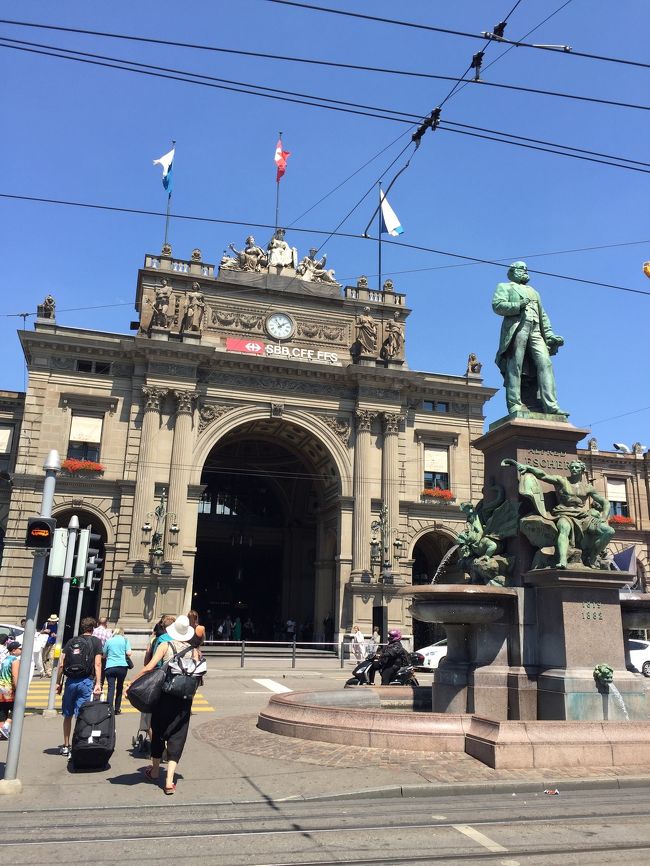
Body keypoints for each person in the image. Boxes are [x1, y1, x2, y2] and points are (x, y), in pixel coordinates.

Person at [129, 615, 200, 795]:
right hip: (184, 699)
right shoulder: (195, 652)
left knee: (158, 732)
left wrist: (132, 682)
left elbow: (149, 667)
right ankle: (169, 781)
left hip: (164, 696)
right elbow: (197, 679)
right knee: (178, 735)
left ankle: (154, 771)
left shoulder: (165, 645)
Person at [492, 261, 566, 416]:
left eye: (526, 269)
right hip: (517, 329)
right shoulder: (504, 286)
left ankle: (551, 405)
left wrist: (550, 334)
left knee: (545, 363)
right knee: (515, 366)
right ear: (512, 272)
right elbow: (497, 306)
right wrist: (518, 304)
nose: (525, 271)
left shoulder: (534, 291)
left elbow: (542, 315)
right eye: (521, 269)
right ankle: (515, 404)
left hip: (536, 330)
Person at [56, 617, 102, 758]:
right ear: (93, 628)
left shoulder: (72, 641)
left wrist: (58, 682)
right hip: (86, 681)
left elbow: (62, 664)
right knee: (82, 715)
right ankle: (79, 744)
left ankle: (65, 746)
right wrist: (98, 683)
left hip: (70, 681)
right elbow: (98, 664)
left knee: (67, 714)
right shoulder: (96, 642)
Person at [103, 627, 132, 714]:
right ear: (122, 633)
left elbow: (104, 655)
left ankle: (109, 709)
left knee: (110, 688)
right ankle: (117, 709)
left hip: (110, 666)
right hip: (122, 667)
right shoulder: (125, 640)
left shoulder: (109, 641)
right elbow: (129, 653)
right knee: (119, 687)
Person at [0, 641, 22, 739]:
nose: (21, 650)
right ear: (13, 650)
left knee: (2, 710)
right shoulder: (14, 660)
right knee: (17, 708)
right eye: (19, 649)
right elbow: (15, 675)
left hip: (2, 687)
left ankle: (2, 732)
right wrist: (18, 689)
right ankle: (6, 726)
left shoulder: (5, 659)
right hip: (9, 689)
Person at [93, 617, 113, 687]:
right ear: (106, 623)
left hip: (92, 655)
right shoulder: (107, 633)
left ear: (98, 623)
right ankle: (99, 687)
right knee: (101, 674)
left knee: (92, 673)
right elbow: (110, 646)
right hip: (102, 656)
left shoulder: (94, 631)